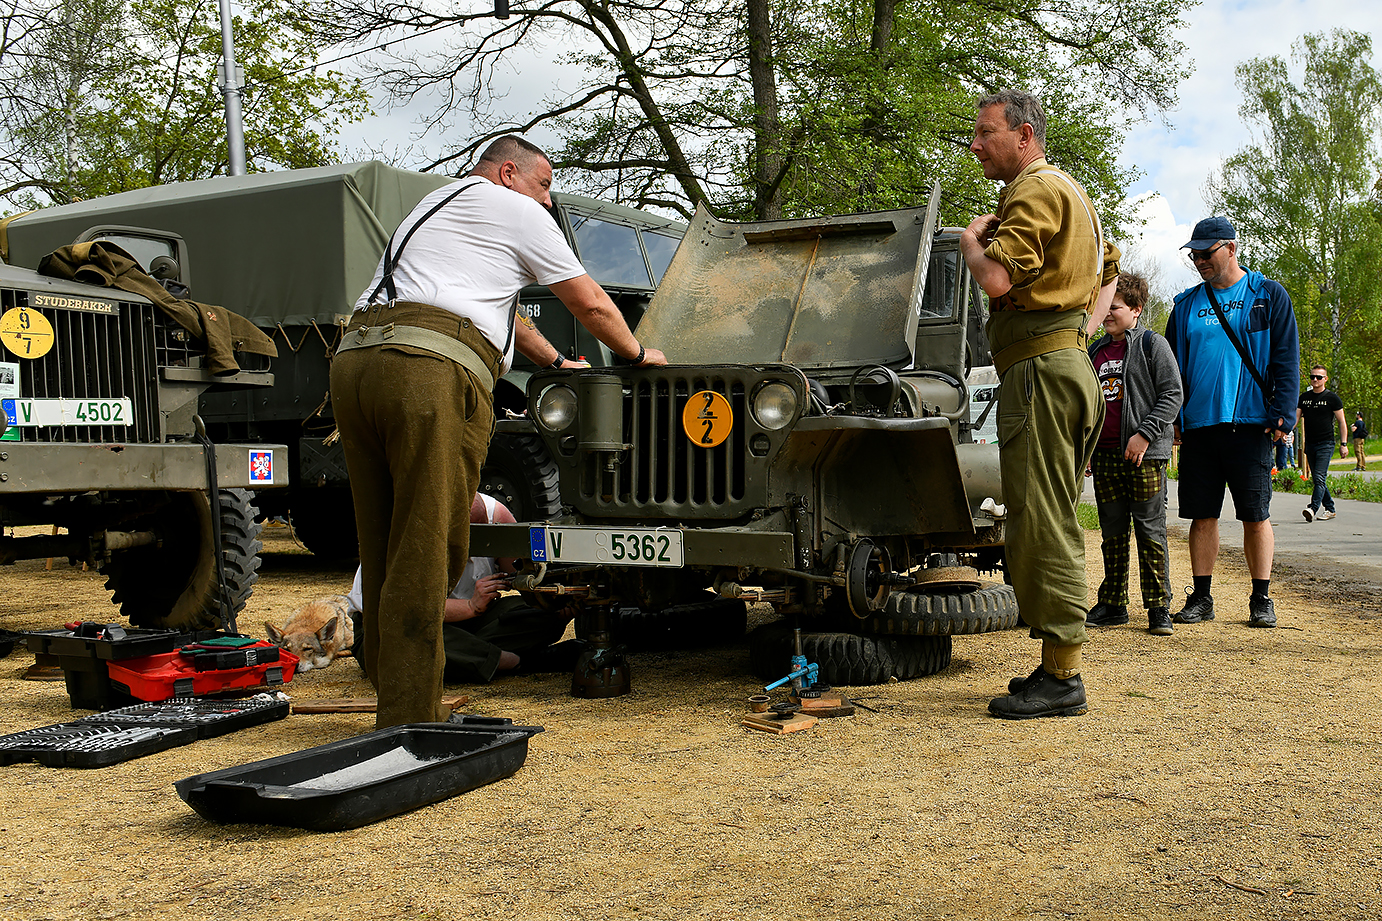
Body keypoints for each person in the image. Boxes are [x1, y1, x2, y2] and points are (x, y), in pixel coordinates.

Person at [331, 135, 667, 728]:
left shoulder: (435, 206)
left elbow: (502, 311)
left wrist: (556, 363)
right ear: (510, 172)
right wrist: (638, 354)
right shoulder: (515, 208)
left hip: (356, 361)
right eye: (544, 185)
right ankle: (411, 721)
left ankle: (390, 684)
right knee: (429, 540)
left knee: (381, 537)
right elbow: (588, 302)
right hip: (427, 369)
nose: (548, 200)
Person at [960, 89, 1121, 719]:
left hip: (1040, 375)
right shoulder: (1074, 193)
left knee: (1040, 517)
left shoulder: (1032, 190)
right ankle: (1056, 662)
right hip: (1064, 366)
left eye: (986, 132)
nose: (976, 144)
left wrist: (971, 244)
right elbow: (1110, 270)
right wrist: (1079, 334)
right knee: (1045, 509)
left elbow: (999, 278)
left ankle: (1063, 677)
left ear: (1025, 135)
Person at [1164, 216, 1300, 629]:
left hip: (1251, 423)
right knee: (1201, 515)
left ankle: (1261, 598)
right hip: (1200, 426)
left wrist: (1284, 412)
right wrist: (1174, 418)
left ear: (1231, 248)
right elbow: (1171, 369)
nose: (1200, 261)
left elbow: (1286, 357)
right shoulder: (1185, 305)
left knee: (1255, 515)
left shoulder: (1267, 295)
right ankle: (1201, 597)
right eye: (1194, 256)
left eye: (1207, 254)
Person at [347, 494, 579, 684]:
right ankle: (518, 661)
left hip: (469, 627)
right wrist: (470, 606)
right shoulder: (411, 529)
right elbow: (409, 609)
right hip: (391, 625)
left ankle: (472, 656)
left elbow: (522, 576)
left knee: (539, 613)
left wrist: (555, 602)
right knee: (410, 643)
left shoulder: (496, 515)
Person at [1085, 272, 1183, 637]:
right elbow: (1087, 403)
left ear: (1136, 309)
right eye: (1105, 308)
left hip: (1144, 456)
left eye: (1115, 307)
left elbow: (1172, 394)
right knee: (1112, 533)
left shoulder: (1152, 345)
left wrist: (1144, 435)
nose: (1107, 314)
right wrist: (1087, 448)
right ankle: (1113, 604)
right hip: (1105, 455)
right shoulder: (1094, 351)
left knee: (1149, 530)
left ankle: (1158, 608)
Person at [1296, 366, 1348, 521]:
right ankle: (1330, 508)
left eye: (1319, 377)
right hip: (1310, 443)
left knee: (1319, 476)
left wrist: (1344, 444)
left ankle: (1312, 508)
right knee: (1317, 479)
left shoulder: (1332, 398)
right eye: (1312, 376)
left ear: (1325, 379)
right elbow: (1295, 418)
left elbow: (1342, 422)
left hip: (1326, 443)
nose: (1315, 380)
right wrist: (1286, 431)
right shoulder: (1304, 398)